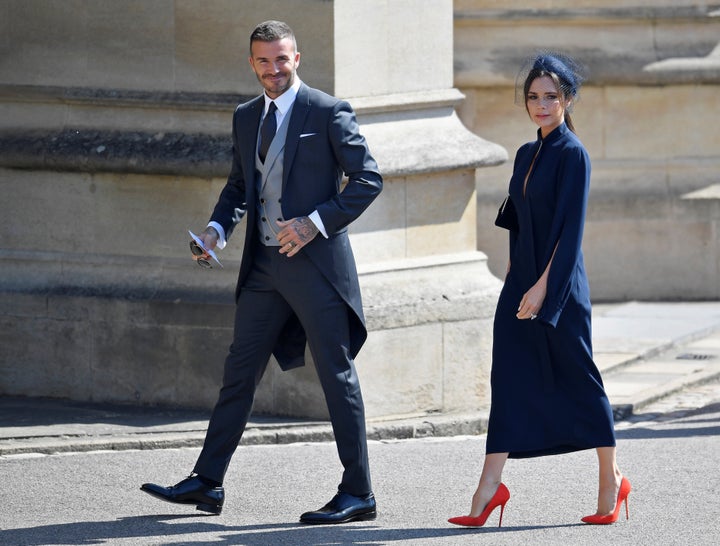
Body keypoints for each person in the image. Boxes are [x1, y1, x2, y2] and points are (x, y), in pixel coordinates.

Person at [140, 20, 382, 524]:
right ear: (252, 63)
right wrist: (214, 231)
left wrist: (315, 224)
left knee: (336, 375)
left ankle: (359, 492)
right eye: (264, 61)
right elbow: (238, 189)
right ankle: (208, 482)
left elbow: (368, 179)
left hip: (315, 268)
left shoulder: (328, 110)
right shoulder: (246, 116)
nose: (274, 69)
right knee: (239, 371)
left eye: (282, 58)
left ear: (298, 57)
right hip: (263, 268)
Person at [448, 53, 631, 528]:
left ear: (568, 99)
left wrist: (543, 288)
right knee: (507, 375)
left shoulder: (574, 154)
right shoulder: (527, 153)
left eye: (551, 96)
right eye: (534, 97)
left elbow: (570, 232)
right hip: (521, 282)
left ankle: (610, 479)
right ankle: (489, 487)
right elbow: (515, 217)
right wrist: (515, 274)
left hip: (560, 286)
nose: (542, 104)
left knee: (581, 377)